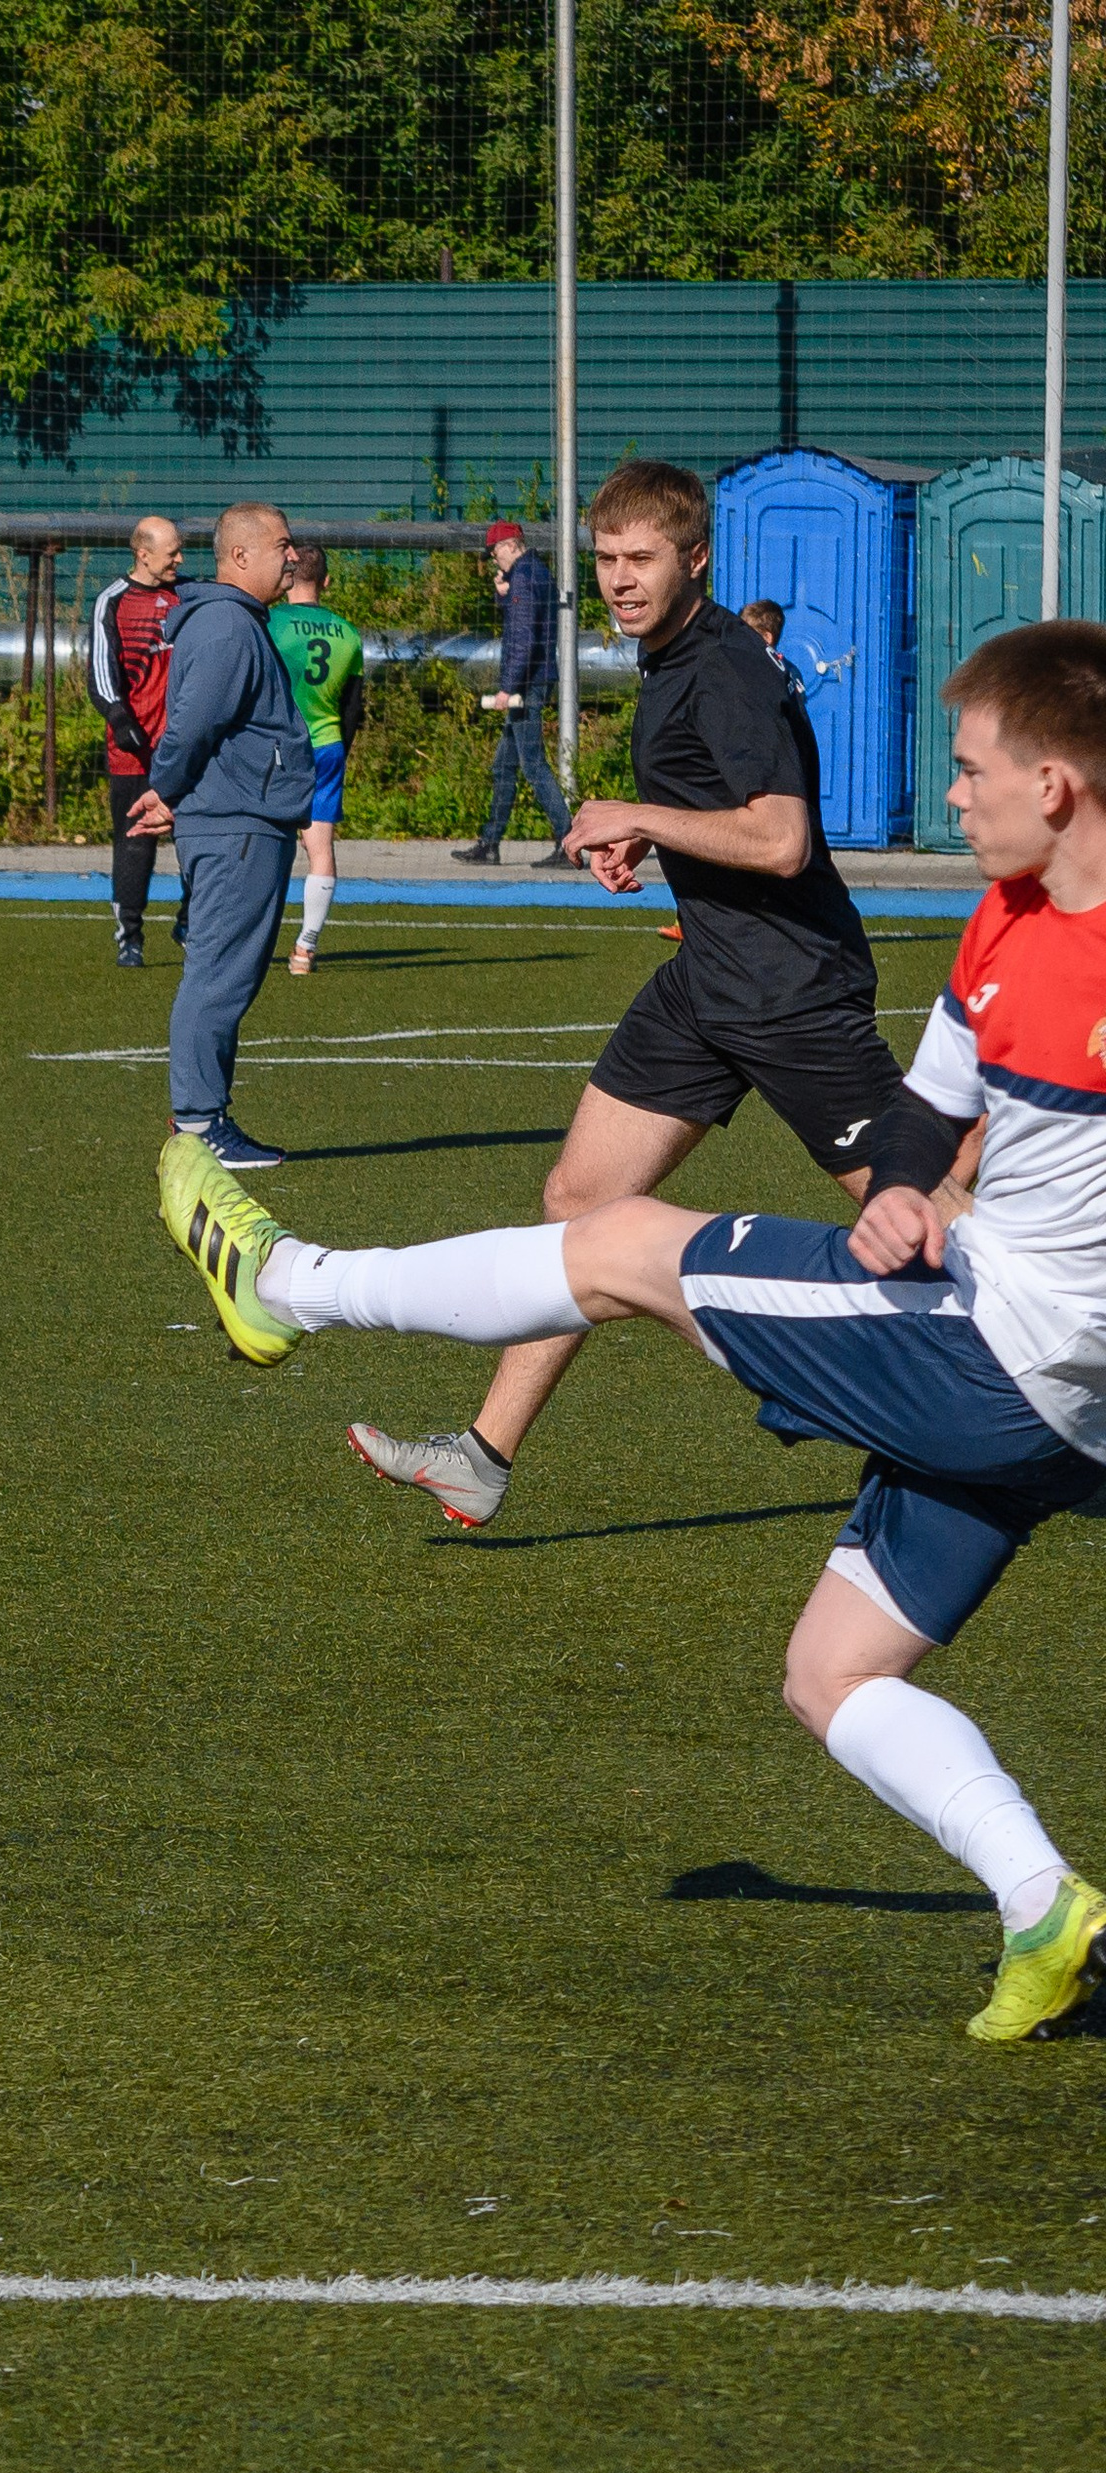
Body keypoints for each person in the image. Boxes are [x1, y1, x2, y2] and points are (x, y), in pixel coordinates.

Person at [159, 620, 1106, 2044]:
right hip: (1033, 1401)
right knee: (832, 1673)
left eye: (973, 771)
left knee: (618, 1248)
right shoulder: (1004, 924)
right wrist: (905, 1186)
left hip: (995, 1363)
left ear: (1060, 787)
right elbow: (929, 1108)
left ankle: (286, 1280)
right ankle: (1045, 1907)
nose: (951, 795)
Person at [351, 462, 925, 1526]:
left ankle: (1051, 1396)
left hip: (791, 992)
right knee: (577, 1203)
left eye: (639, 559)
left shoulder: (726, 669)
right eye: (605, 560)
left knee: (924, 1219)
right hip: (708, 981)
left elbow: (784, 837)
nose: (618, 580)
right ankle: (482, 1454)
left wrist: (645, 818)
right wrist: (647, 844)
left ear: (694, 558)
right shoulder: (667, 660)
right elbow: (720, 822)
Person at [124, 502, 314, 1173]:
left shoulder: (233, 624)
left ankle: (203, 1115)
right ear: (241, 556)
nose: (294, 557)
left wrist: (179, 795)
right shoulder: (230, 627)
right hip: (238, 827)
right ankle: (201, 1121)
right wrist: (167, 788)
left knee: (222, 971)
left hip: (238, 820)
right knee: (218, 974)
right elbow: (191, 725)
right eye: (283, 546)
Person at [85, 514, 184, 968]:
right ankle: (130, 935)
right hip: (133, 749)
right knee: (134, 843)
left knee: (198, 837)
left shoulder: (187, 594)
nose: (180, 560)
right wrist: (120, 717)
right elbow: (101, 674)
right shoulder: (113, 601)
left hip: (185, 747)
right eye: (171, 554)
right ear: (143, 555)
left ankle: (193, 923)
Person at [268, 542, 367, 974]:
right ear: (326, 581)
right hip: (327, 746)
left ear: (288, 574)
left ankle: (253, 939)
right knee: (320, 848)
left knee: (269, 845)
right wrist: (338, 747)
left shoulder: (269, 622)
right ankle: (306, 947)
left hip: (277, 746)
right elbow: (354, 706)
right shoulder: (348, 633)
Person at [452, 521, 575, 869]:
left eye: (494, 553)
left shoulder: (523, 576)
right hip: (534, 679)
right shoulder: (536, 571)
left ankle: (568, 840)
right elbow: (528, 621)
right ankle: (490, 844)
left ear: (508, 546)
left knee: (533, 764)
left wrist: (508, 687)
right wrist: (502, 596)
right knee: (504, 766)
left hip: (527, 685)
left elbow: (522, 636)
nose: (494, 561)